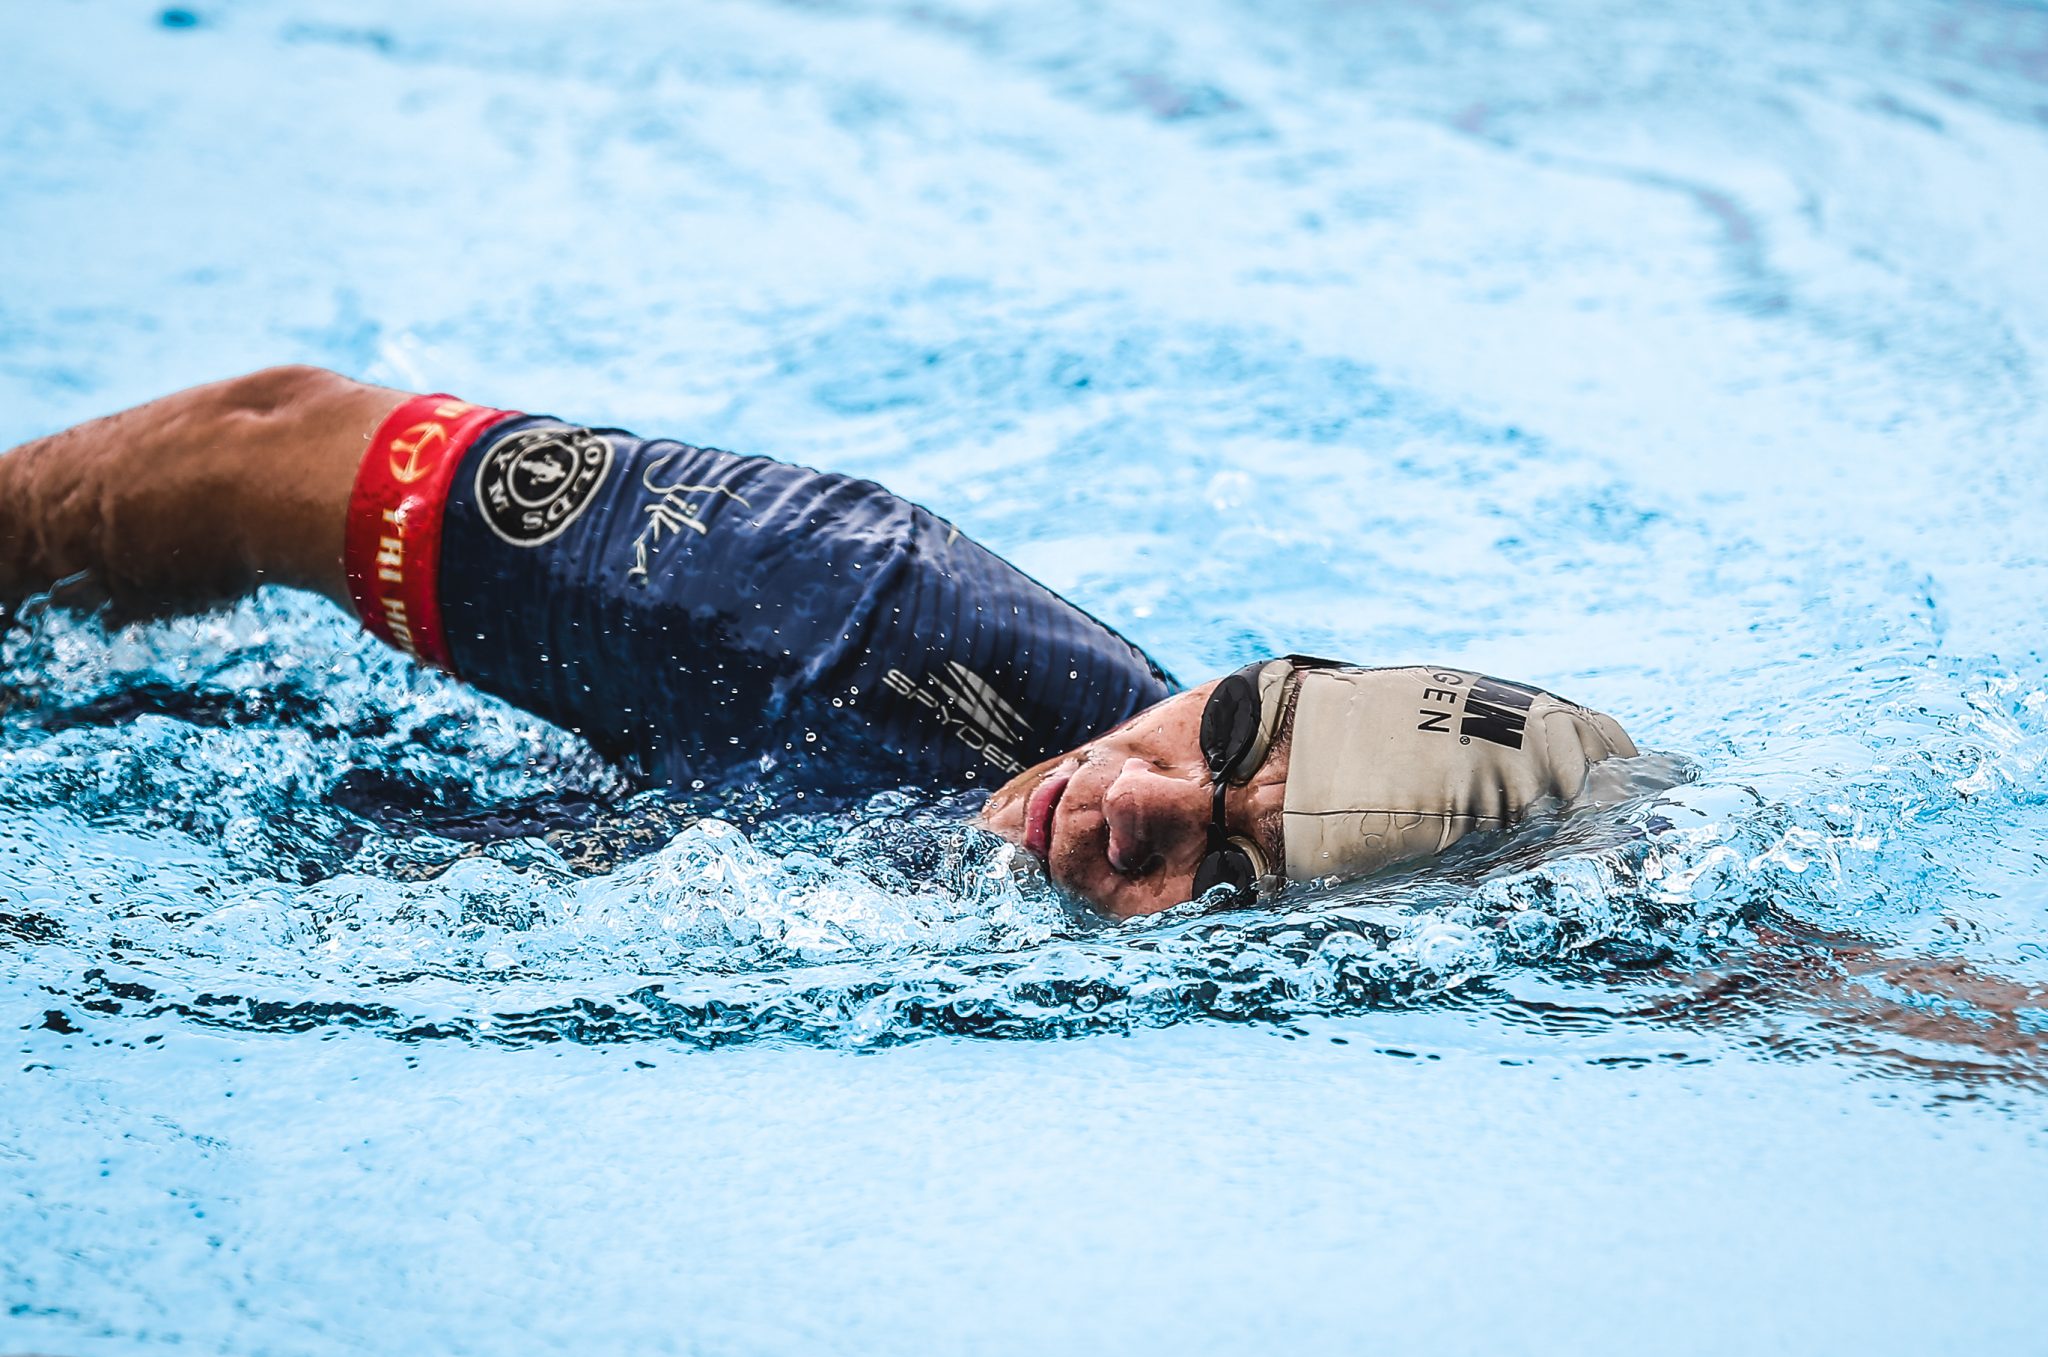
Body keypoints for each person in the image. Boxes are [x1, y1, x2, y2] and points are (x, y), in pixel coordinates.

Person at [0, 366, 1639, 917]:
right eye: (1222, 739)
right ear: (1266, 667)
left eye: (1229, 878)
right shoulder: (834, 610)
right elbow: (256, 445)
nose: (1137, 803)